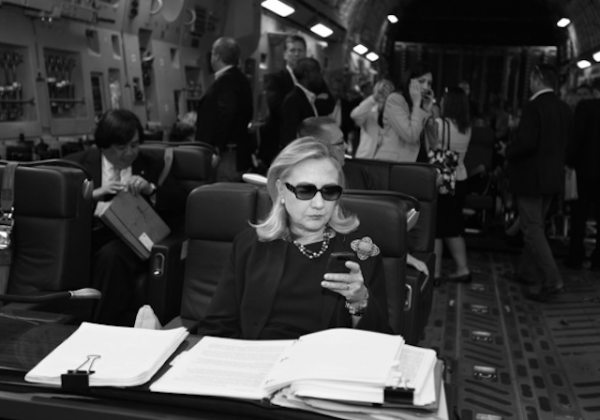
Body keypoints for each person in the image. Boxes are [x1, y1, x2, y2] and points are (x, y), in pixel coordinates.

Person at [198, 138, 391, 339]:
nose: (319, 204)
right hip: (258, 355)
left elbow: (380, 342)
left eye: (329, 191)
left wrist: (359, 301)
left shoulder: (361, 251)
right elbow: (218, 326)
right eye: (305, 191)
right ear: (281, 190)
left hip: (325, 358)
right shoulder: (249, 245)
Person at [65, 109, 169, 325]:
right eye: (122, 148)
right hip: (89, 236)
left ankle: (99, 325)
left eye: (135, 145)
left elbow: (180, 203)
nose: (130, 153)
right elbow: (59, 206)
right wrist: (92, 197)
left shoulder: (154, 165)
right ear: (104, 146)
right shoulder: (76, 166)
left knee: (112, 255)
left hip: (132, 242)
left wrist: (150, 189)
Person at [297, 116, 429, 277]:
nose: (346, 146)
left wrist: (402, 253)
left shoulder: (354, 174)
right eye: (340, 143)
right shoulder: (299, 189)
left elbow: (375, 221)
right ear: (319, 148)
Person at [506, 64, 572, 302]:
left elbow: (527, 143)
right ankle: (526, 272)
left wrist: (508, 151)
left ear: (537, 79)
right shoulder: (564, 108)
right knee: (535, 227)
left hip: (532, 178)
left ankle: (553, 281)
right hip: (553, 177)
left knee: (532, 229)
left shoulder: (533, 107)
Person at [195, 37, 253, 182]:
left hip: (226, 155)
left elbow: (227, 113)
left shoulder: (227, 81)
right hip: (237, 153)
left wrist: (217, 147)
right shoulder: (240, 79)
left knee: (221, 193)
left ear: (216, 56)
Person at [431, 87, 473, 283]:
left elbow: (430, 145)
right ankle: (462, 268)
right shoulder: (467, 127)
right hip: (460, 178)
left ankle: (435, 273)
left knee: (437, 228)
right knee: (454, 226)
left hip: (443, 181)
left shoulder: (440, 124)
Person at [564, 90, 600, 270]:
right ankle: (598, 259)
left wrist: (568, 161)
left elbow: (576, 137)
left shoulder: (585, 107)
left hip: (585, 169)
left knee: (579, 216)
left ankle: (576, 255)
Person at [260, 35, 307, 166]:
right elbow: (276, 108)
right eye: (292, 50)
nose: (297, 54)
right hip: (279, 142)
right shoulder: (275, 79)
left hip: (303, 144)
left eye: (300, 50)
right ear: (285, 54)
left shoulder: (311, 80)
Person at [374, 63, 434, 162]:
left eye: (429, 83)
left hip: (418, 162)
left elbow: (434, 142)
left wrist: (426, 111)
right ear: (410, 81)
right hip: (397, 163)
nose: (426, 87)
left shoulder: (421, 105)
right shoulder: (395, 99)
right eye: (421, 81)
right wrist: (417, 106)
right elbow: (411, 136)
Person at [280, 57, 331, 148]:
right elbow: (290, 139)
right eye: (318, 71)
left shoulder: (309, 97)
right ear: (307, 74)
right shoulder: (294, 100)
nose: (320, 76)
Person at [350, 79, 395, 159]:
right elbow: (355, 115)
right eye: (381, 91)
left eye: (387, 91)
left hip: (385, 160)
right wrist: (374, 98)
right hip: (365, 158)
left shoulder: (395, 113)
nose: (383, 94)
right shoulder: (369, 110)